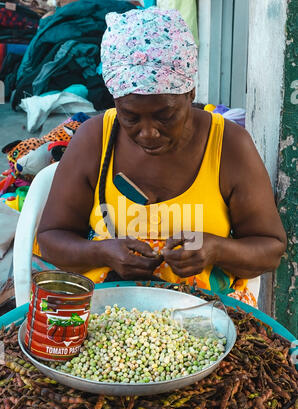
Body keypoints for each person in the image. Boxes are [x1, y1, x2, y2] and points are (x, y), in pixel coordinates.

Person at [35, 7, 286, 307]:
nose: (148, 133)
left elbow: (270, 248)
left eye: (165, 115)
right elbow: (51, 239)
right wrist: (103, 252)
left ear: (190, 92)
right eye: (130, 117)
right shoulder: (94, 139)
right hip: (110, 312)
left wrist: (216, 249)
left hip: (207, 317)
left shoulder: (229, 146)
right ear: (115, 100)